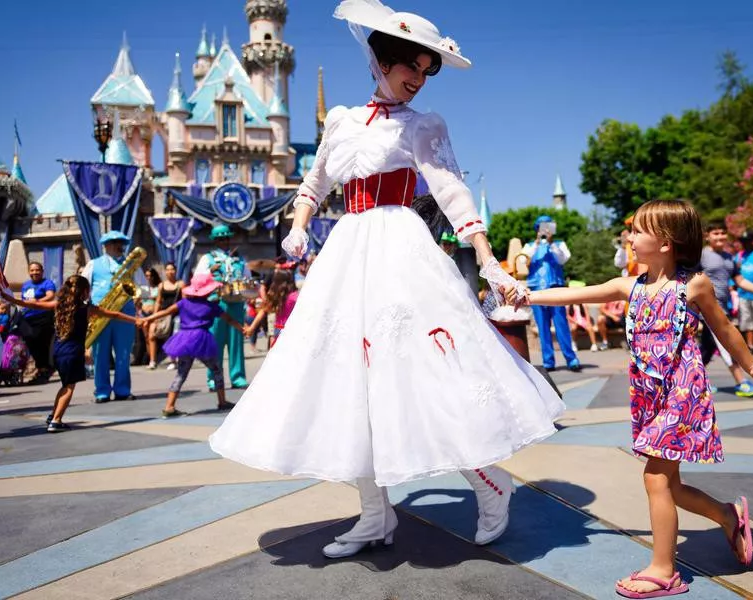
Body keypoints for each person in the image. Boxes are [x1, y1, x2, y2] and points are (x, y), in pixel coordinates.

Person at [209, 0, 563, 560]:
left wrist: (488, 260)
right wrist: (299, 228)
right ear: (382, 59)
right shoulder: (342, 120)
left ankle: (489, 482)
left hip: (401, 250)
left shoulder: (424, 125)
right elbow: (315, 180)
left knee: (427, 372)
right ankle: (375, 514)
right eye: (412, 68)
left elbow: (451, 191)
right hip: (348, 253)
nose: (419, 80)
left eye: (426, 72)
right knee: (349, 383)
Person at [505, 199, 753, 598]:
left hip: (682, 392)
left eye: (638, 231)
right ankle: (727, 515)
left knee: (655, 478)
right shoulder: (630, 286)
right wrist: (525, 296)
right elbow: (572, 294)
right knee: (671, 486)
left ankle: (665, 570)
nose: (629, 237)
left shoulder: (693, 285)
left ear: (666, 243)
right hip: (649, 396)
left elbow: (726, 330)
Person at [1, 276, 142, 432]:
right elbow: (114, 315)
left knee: (64, 385)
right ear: (85, 291)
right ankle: (56, 421)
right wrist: (136, 320)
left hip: (57, 351)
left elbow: (33, 304)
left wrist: (9, 298)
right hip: (73, 352)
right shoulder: (87, 308)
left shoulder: (59, 305)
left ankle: (53, 415)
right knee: (69, 388)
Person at [144, 273, 241, 418]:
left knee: (181, 373)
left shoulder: (183, 303)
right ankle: (222, 401)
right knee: (216, 369)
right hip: (201, 339)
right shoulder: (211, 306)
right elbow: (229, 320)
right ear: (207, 291)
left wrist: (147, 318)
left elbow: (166, 311)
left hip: (184, 339)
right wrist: (243, 329)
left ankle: (169, 406)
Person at [701, 223, 753, 397]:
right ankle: (742, 382)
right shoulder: (700, 255)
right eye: (715, 233)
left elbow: (740, 281)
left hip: (723, 309)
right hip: (708, 309)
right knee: (726, 345)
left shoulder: (729, 258)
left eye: (722, 233)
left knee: (707, 349)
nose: (720, 237)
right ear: (707, 236)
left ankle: (691, 381)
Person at [81, 231, 144, 403]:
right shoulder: (93, 264)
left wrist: (139, 297)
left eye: (121, 243)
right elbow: (82, 287)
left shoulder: (131, 264)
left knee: (123, 354)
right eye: (115, 242)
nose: (119, 246)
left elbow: (142, 286)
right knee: (100, 354)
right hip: (100, 313)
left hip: (125, 314)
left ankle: (123, 390)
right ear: (106, 246)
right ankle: (102, 391)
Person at [521, 215, 581, 372]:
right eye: (541, 227)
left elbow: (563, 259)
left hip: (556, 288)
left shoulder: (559, 244)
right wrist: (536, 242)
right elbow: (523, 261)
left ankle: (571, 359)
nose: (544, 230)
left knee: (561, 324)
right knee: (542, 326)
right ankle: (548, 361)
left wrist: (551, 244)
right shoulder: (528, 246)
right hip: (536, 290)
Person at [194, 224, 249, 390]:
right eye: (221, 239)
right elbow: (197, 281)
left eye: (226, 238)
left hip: (236, 304)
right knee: (215, 343)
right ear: (215, 241)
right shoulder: (207, 259)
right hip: (216, 304)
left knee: (236, 342)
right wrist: (210, 271)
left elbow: (247, 279)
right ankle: (213, 378)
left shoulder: (239, 259)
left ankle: (237, 376)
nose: (225, 241)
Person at [20, 262, 57, 383]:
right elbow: (23, 300)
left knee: (42, 344)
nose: (34, 273)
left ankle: (44, 369)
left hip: (44, 317)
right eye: (32, 270)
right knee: (29, 339)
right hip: (28, 317)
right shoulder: (26, 285)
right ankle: (41, 367)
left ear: (42, 271)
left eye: (37, 270)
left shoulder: (47, 283)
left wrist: (37, 302)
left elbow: (50, 296)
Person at [246, 269, 298, 347]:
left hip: (278, 329)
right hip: (292, 330)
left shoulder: (275, 296)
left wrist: (252, 328)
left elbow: (263, 311)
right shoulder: (295, 296)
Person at [155, 262, 184, 370]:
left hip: (178, 315)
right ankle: (156, 360)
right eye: (167, 269)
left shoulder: (180, 284)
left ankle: (174, 359)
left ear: (176, 271)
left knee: (175, 335)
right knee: (164, 336)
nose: (170, 272)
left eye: (172, 269)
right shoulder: (161, 285)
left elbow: (185, 300)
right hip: (165, 315)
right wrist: (155, 316)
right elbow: (158, 301)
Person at [138, 267, 162, 369]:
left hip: (154, 314)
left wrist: (155, 313)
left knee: (152, 336)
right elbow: (138, 302)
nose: (148, 278)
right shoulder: (142, 288)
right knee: (147, 337)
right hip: (143, 314)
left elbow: (159, 301)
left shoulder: (158, 287)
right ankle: (150, 358)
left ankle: (153, 359)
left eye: (150, 276)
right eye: (146, 276)